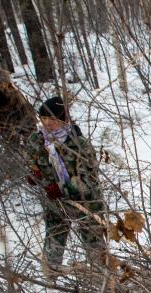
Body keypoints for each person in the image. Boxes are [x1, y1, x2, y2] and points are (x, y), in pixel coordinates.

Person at [27, 96, 106, 274]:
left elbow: (90, 178)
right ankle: (51, 272)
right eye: (43, 118)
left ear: (64, 119)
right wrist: (38, 178)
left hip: (86, 202)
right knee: (55, 232)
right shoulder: (37, 140)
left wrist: (68, 188)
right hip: (55, 201)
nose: (47, 123)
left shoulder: (79, 144)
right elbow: (32, 162)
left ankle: (102, 276)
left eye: (52, 119)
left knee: (93, 239)